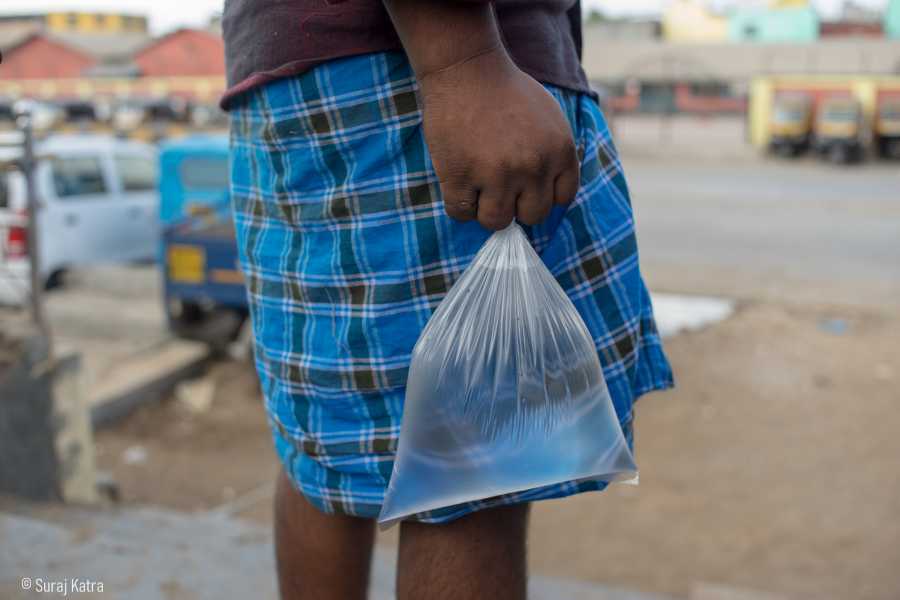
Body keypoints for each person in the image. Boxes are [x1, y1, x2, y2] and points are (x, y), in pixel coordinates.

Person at [221, 1, 673, 598]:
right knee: (477, 468)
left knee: (324, 449)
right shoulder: (460, 60)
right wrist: (463, 60)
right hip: (425, 58)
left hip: (320, 65)